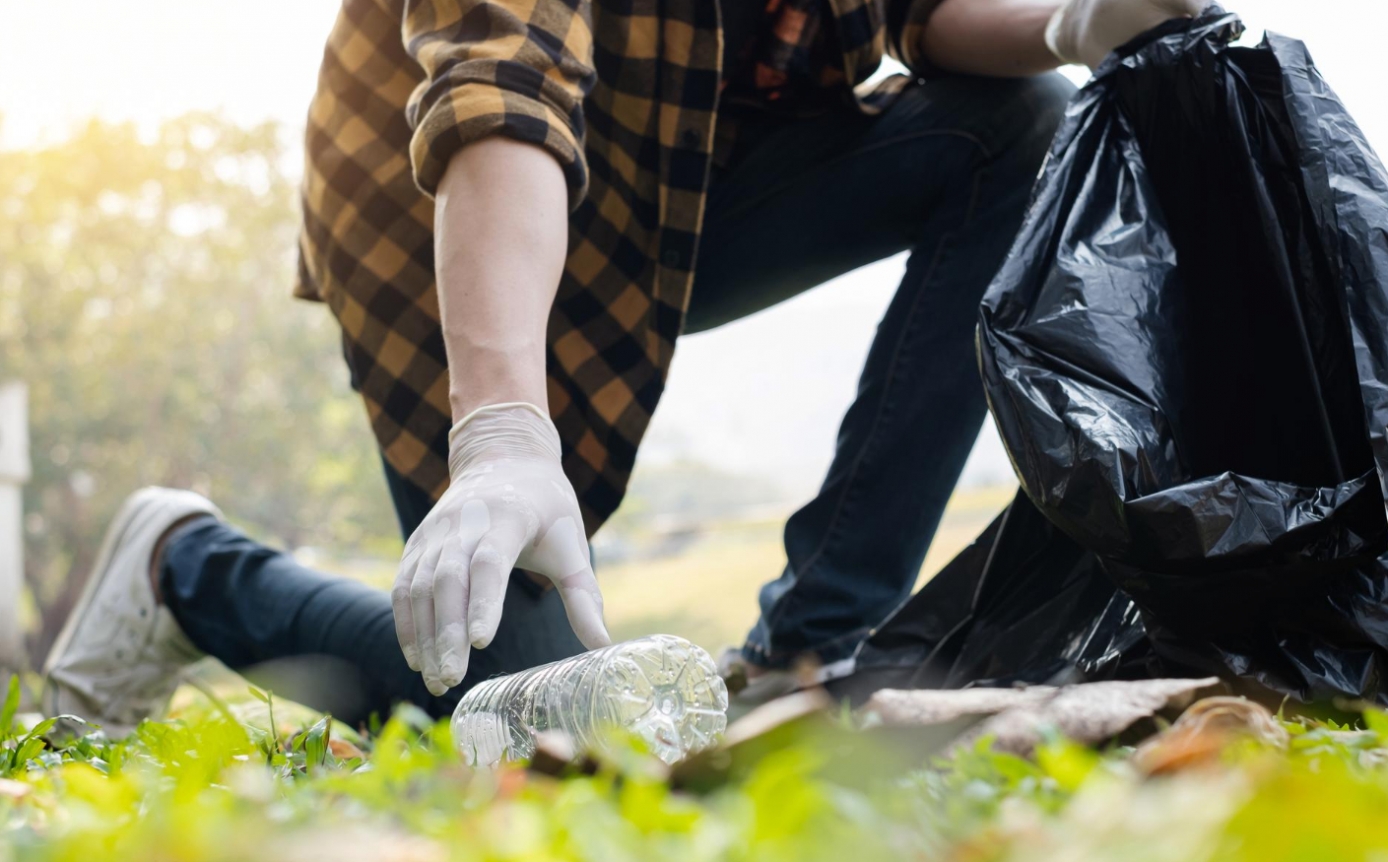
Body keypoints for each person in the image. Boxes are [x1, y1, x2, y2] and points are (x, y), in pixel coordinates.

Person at [43, 0, 1206, 732]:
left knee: (1022, 124)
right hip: (446, 214)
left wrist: (1075, 22)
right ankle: (182, 563)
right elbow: (502, 81)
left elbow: (913, 11)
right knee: (538, 705)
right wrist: (499, 430)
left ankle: (803, 649)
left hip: (674, 188)